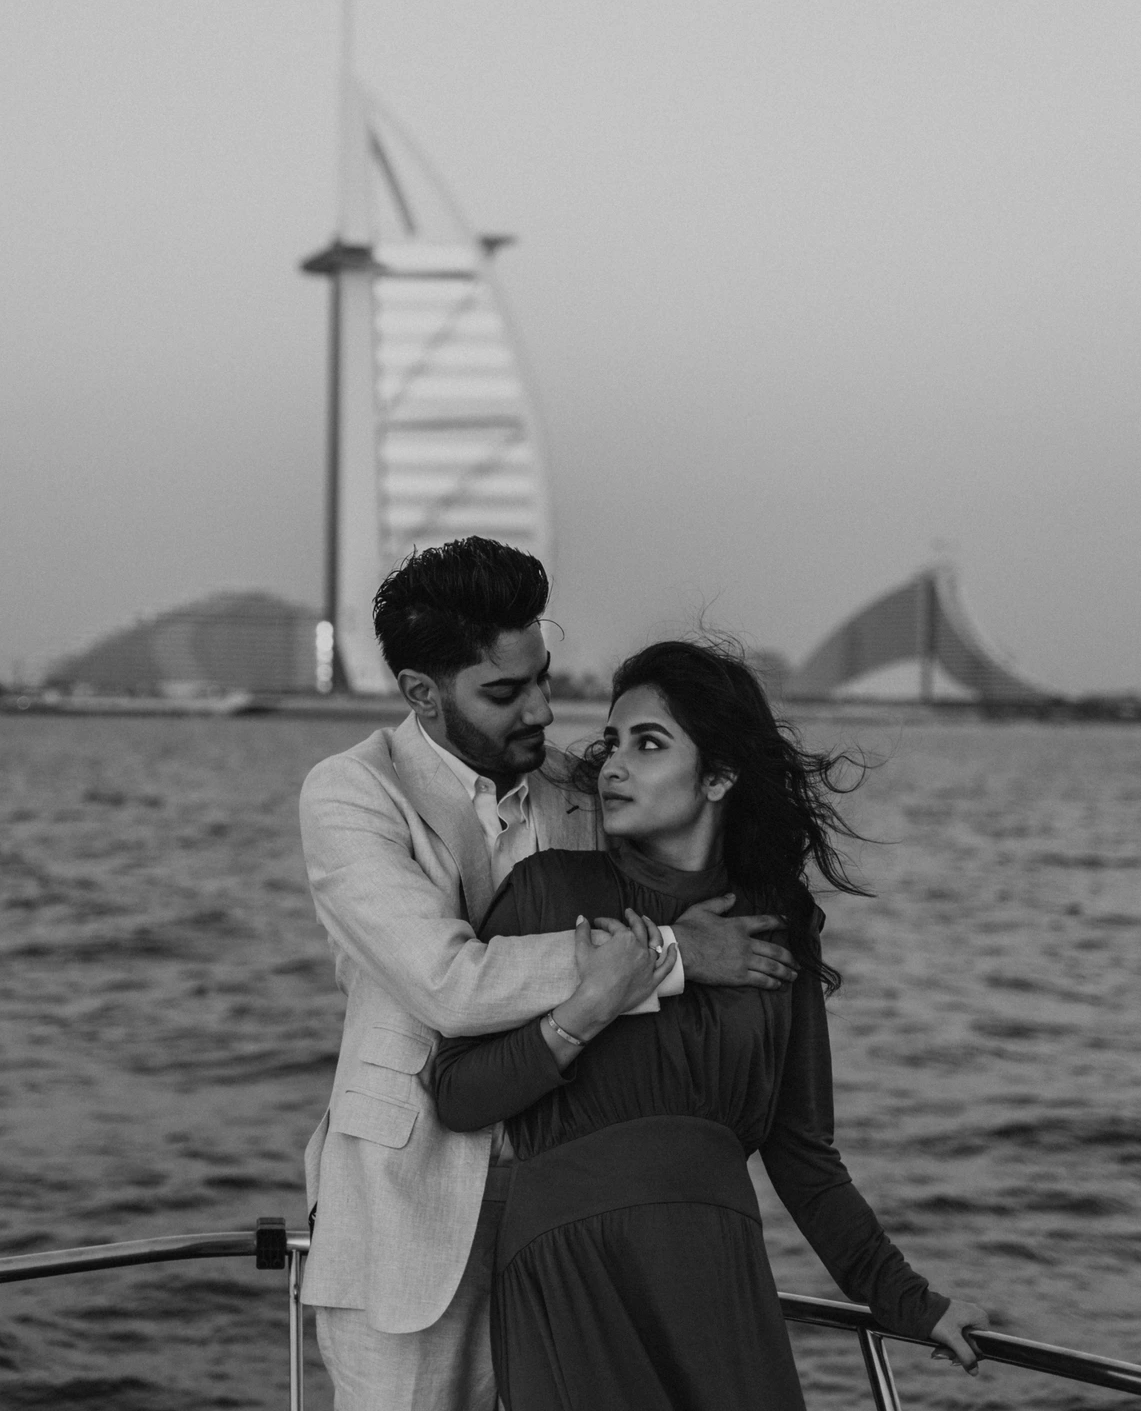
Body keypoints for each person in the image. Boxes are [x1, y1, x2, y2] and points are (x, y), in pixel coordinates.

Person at [299, 542, 803, 1411]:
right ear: (422, 693)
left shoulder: (579, 788)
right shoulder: (349, 795)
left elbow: (693, 850)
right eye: (503, 693)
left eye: (542, 677)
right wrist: (674, 957)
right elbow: (447, 984)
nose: (541, 709)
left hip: (574, 1213)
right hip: (407, 1202)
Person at [432, 638, 990, 1411]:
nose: (615, 766)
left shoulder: (777, 922)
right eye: (613, 742)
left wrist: (908, 1300)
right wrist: (586, 1008)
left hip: (714, 1273)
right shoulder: (550, 891)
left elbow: (802, 1153)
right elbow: (457, 1094)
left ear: (720, 775)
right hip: (568, 1266)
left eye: (649, 743)